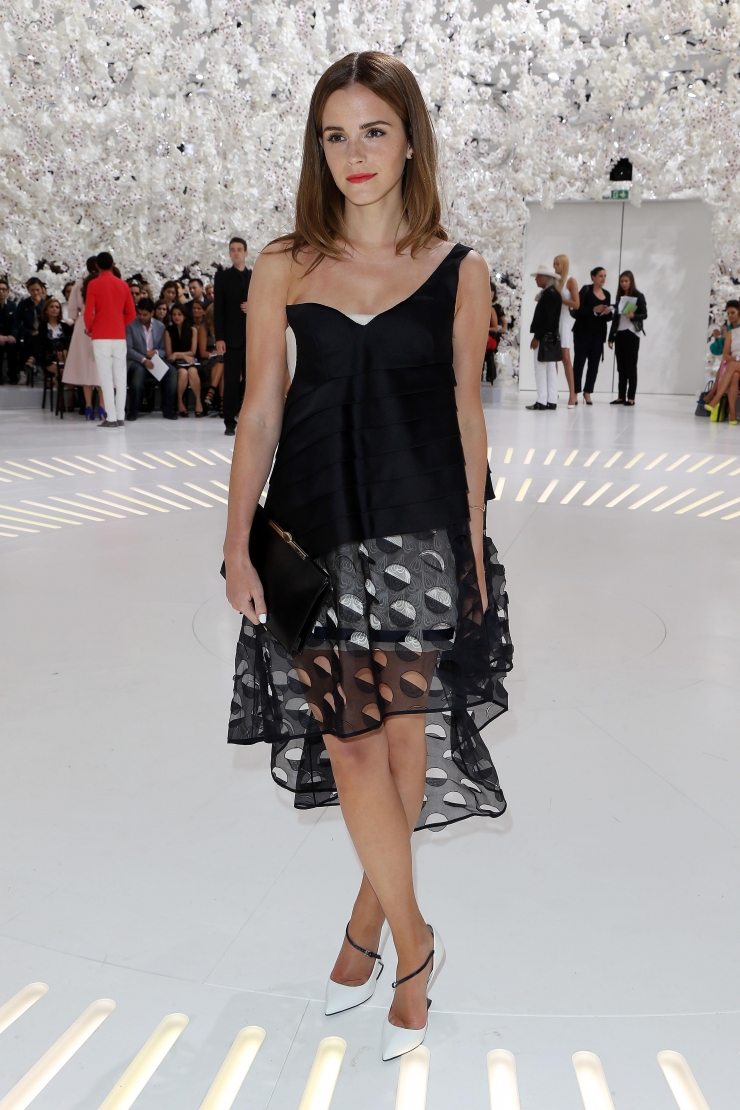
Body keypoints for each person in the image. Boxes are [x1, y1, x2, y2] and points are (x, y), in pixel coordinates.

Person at [223, 50, 512, 1062]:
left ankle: (363, 934)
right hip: (311, 537)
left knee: (397, 748)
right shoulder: (284, 265)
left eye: (374, 131)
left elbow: (467, 416)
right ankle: (415, 946)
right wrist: (235, 541)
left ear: (409, 141)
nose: (354, 154)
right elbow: (259, 410)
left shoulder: (459, 270)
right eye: (335, 135)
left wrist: (472, 549)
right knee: (351, 743)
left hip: (417, 537)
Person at [84, 251, 136, 427]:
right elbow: (131, 313)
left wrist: (90, 329)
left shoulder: (93, 284)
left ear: (97, 265)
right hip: (119, 335)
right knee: (120, 376)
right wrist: (120, 324)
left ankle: (111, 417)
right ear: (113, 264)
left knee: (105, 377)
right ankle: (120, 416)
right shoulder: (123, 285)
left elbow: (88, 311)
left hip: (100, 335)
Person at [214, 236, 251, 435]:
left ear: (246, 252)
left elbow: (266, 303)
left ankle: (247, 419)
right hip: (231, 336)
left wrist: (253, 307)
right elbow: (218, 309)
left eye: (239, 249)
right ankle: (229, 421)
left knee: (251, 381)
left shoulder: (255, 276)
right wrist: (219, 337)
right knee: (230, 381)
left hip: (252, 336)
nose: (235, 252)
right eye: (232, 249)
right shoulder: (222, 277)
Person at [63, 257, 104, 421]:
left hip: (83, 326)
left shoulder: (78, 286)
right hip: (102, 323)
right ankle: (103, 405)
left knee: (86, 367)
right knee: (101, 367)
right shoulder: (104, 284)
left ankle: (88, 406)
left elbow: (72, 313)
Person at [126, 296, 177, 421]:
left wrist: (156, 352)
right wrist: (144, 360)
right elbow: (128, 349)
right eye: (139, 314)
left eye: (145, 314)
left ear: (152, 313)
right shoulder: (130, 325)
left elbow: (165, 350)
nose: (141, 317)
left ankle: (168, 409)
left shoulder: (160, 326)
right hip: (137, 360)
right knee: (139, 372)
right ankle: (133, 410)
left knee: (171, 372)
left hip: (155, 360)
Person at [571, 266, 612, 403]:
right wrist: (594, 309)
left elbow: (608, 318)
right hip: (582, 332)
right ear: (593, 277)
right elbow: (577, 309)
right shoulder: (586, 290)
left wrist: (607, 312)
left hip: (598, 334)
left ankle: (588, 392)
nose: (603, 279)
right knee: (579, 363)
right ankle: (575, 392)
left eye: (605, 276)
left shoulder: (607, 294)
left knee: (594, 365)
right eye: (600, 276)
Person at [608, 270, 647, 406]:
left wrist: (633, 316)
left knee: (631, 366)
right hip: (620, 333)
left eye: (626, 281)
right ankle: (621, 396)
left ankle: (631, 397)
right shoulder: (620, 297)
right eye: (622, 281)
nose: (624, 284)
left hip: (632, 333)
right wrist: (611, 337)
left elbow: (644, 314)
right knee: (621, 366)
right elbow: (615, 318)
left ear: (631, 282)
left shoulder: (638, 296)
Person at [527, 264, 562, 410]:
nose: (536, 279)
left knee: (540, 368)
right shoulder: (555, 293)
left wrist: (537, 337)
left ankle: (542, 400)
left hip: (544, 337)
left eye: (538, 277)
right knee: (551, 369)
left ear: (544, 278)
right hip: (553, 337)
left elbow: (547, 319)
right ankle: (552, 399)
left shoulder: (548, 295)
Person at [702, 300, 740, 413]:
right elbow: (721, 352)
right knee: (734, 375)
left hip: (734, 364)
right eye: (728, 313)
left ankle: (715, 396)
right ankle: (732, 413)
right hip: (733, 365)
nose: (730, 315)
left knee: (730, 365)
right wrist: (717, 339)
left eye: (733, 312)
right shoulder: (728, 331)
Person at [165, 303, 203, 417]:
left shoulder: (193, 330)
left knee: (192, 371)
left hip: (190, 361)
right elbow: (170, 356)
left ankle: (198, 401)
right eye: (174, 314)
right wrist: (182, 355)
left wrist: (179, 354)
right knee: (182, 372)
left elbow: (193, 352)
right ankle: (180, 401)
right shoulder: (168, 331)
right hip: (175, 364)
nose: (176, 317)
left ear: (184, 316)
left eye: (179, 314)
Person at [553, 254, 580, 408]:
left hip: (563, 321)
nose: (555, 267)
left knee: (566, 358)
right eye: (554, 264)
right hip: (553, 321)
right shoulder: (553, 280)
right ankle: (553, 391)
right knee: (552, 358)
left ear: (563, 265)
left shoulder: (570, 281)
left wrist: (559, 299)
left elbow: (576, 304)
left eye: (557, 264)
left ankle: (572, 394)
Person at [40, 299, 73, 407]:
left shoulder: (65, 327)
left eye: (57, 307)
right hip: (50, 358)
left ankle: (71, 397)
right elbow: (42, 345)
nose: (54, 309)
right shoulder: (42, 327)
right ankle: (60, 399)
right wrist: (54, 352)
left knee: (69, 370)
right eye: (52, 307)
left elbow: (70, 342)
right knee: (61, 371)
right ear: (46, 310)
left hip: (65, 357)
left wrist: (65, 351)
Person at [15, 277, 48, 383]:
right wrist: (29, 332)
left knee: (38, 339)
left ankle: (29, 363)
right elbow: (17, 322)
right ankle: (27, 366)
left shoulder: (45, 304)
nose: (35, 292)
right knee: (30, 341)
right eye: (32, 290)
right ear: (28, 290)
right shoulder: (23, 304)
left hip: (43, 334)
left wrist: (38, 306)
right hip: (29, 333)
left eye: (37, 289)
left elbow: (47, 319)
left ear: (42, 289)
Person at [198, 302, 224, 416]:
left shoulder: (225, 329)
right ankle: (222, 404)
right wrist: (212, 353)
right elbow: (202, 353)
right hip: (208, 360)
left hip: (222, 359)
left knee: (222, 362)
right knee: (221, 361)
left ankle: (211, 392)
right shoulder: (204, 328)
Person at [0, 277, 18, 384]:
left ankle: (13, 376)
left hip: (9, 335)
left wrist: (12, 334)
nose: (1, 292)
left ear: (7, 291)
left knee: (13, 346)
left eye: (3, 289)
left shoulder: (12, 305)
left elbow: (16, 323)